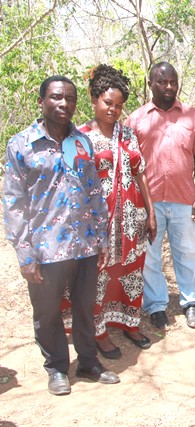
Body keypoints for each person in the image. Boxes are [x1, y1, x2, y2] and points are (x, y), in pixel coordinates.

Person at [3, 76, 120, 395]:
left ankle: (88, 363)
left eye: (70, 99)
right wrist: (25, 254)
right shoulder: (21, 145)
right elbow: (13, 202)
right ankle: (56, 368)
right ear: (42, 101)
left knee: (84, 307)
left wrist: (101, 238)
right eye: (56, 97)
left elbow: (95, 191)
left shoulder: (81, 142)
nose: (64, 104)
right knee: (47, 312)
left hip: (84, 245)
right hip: (45, 248)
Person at [60, 65, 157, 358]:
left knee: (130, 272)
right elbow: (70, 184)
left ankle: (129, 322)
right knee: (97, 278)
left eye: (118, 105)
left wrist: (150, 214)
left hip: (130, 220)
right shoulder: (80, 137)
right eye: (107, 103)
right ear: (93, 99)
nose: (113, 109)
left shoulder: (128, 135)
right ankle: (98, 330)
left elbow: (140, 174)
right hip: (96, 225)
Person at [125, 62, 195, 330]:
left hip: (184, 199)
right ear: (150, 83)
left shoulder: (191, 116)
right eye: (162, 82)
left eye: (173, 81)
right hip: (147, 202)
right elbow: (127, 162)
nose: (169, 86)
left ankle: (191, 302)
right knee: (150, 256)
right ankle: (156, 306)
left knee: (188, 252)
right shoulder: (135, 119)